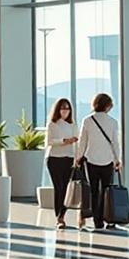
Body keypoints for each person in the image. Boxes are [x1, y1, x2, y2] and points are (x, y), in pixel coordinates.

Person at [81, 91, 123, 232]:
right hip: (108, 160)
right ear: (107, 106)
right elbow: (115, 143)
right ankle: (110, 219)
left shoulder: (87, 121)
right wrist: (118, 159)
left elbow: (83, 142)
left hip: (91, 160)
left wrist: (78, 157)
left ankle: (97, 221)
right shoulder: (113, 122)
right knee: (107, 191)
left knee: (94, 191)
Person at [44, 96, 82, 226]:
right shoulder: (52, 124)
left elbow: (77, 143)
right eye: (62, 108)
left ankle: (62, 216)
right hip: (54, 159)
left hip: (69, 159)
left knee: (66, 189)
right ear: (57, 110)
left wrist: (77, 158)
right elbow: (49, 142)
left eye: (67, 108)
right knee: (58, 188)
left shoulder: (73, 125)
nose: (65, 111)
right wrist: (64, 141)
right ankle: (58, 217)